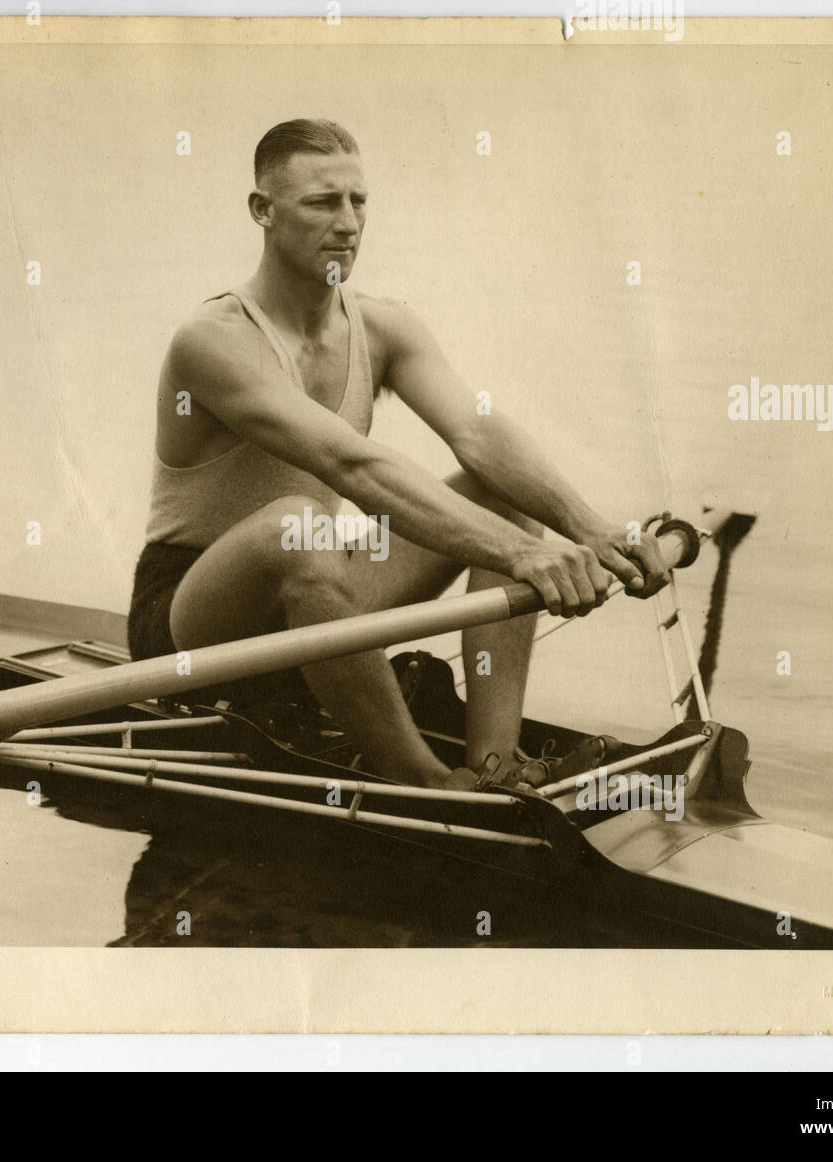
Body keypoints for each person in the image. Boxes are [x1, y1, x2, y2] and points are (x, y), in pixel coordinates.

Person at [130, 118, 666, 791]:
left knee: (501, 494)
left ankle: (496, 767)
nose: (348, 223)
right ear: (262, 212)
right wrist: (523, 555)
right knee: (296, 525)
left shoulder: (385, 326)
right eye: (322, 203)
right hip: (191, 618)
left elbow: (478, 435)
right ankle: (421, 778)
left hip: (314, 586)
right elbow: (349, 466)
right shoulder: (211, 341)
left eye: (359, 202)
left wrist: (591, 530)